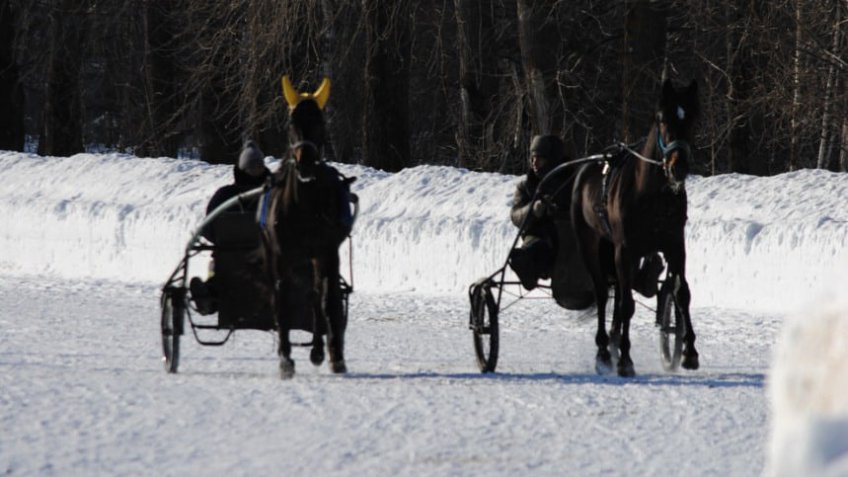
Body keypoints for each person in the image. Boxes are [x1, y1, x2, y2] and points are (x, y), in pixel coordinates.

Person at [191, 140, 271, 315]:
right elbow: (209, 226)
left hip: (261, 258)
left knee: (222, 272)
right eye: (252, 167)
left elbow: (208, 229)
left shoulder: (273, 195)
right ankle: (209, 298)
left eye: (258, 167)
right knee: (221, 271)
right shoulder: (225, 195)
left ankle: (210, 295)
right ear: (243, 169)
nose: (255, 171)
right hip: (235, 259)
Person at [508, 135, 567, 290]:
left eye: (539, 158)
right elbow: (515, 215)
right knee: (523, 255)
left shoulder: (570, 181)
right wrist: (533, 209)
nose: (534, 163)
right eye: (533, 158)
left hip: (568, 238)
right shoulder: (526, 186)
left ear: (551, 159)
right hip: (539, 238)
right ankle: (529, 272)